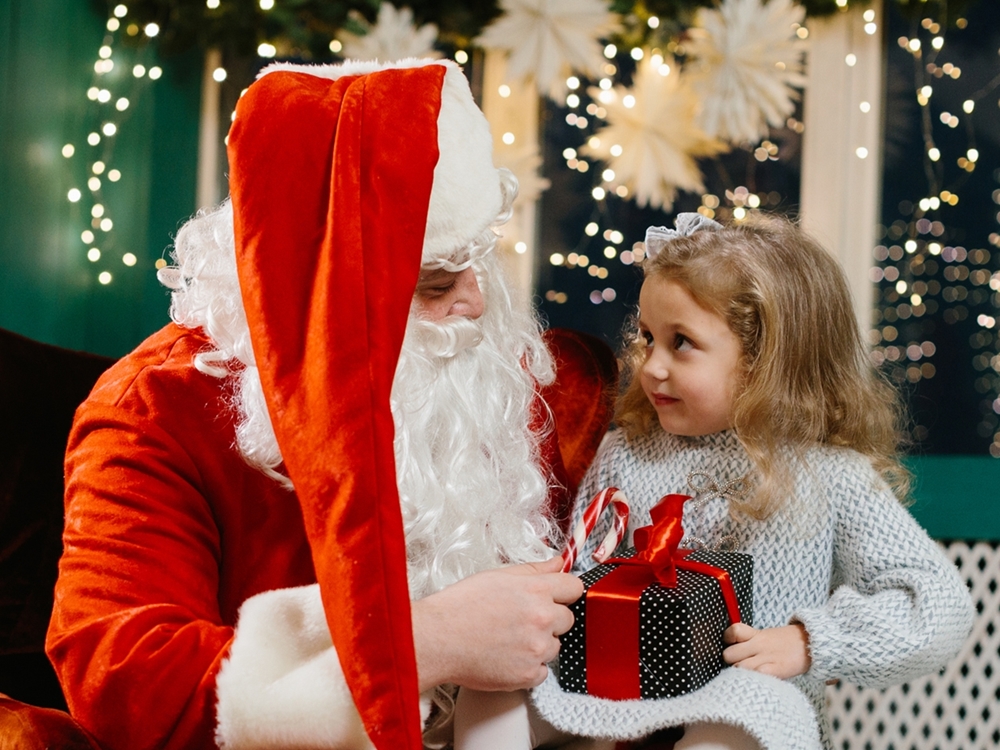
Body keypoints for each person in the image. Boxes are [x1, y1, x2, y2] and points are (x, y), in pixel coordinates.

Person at [45, 59, 615, 750]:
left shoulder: (494, 371)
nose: (475, 301)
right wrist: (421, 643)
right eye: (434, 282)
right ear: (322, 288)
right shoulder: (157, 410)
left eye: (480, 261)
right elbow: (126, 682)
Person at [530, 213, 974, 750]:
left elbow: (936, 604)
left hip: (754, 705)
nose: (652, 366)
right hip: (630, 688)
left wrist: (811, 642)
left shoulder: (830, 475)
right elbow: (581, 574)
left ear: (769, 360)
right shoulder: (627, 451)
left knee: (735, 714)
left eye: (682, 342)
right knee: (500, 694)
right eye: (648, 337)